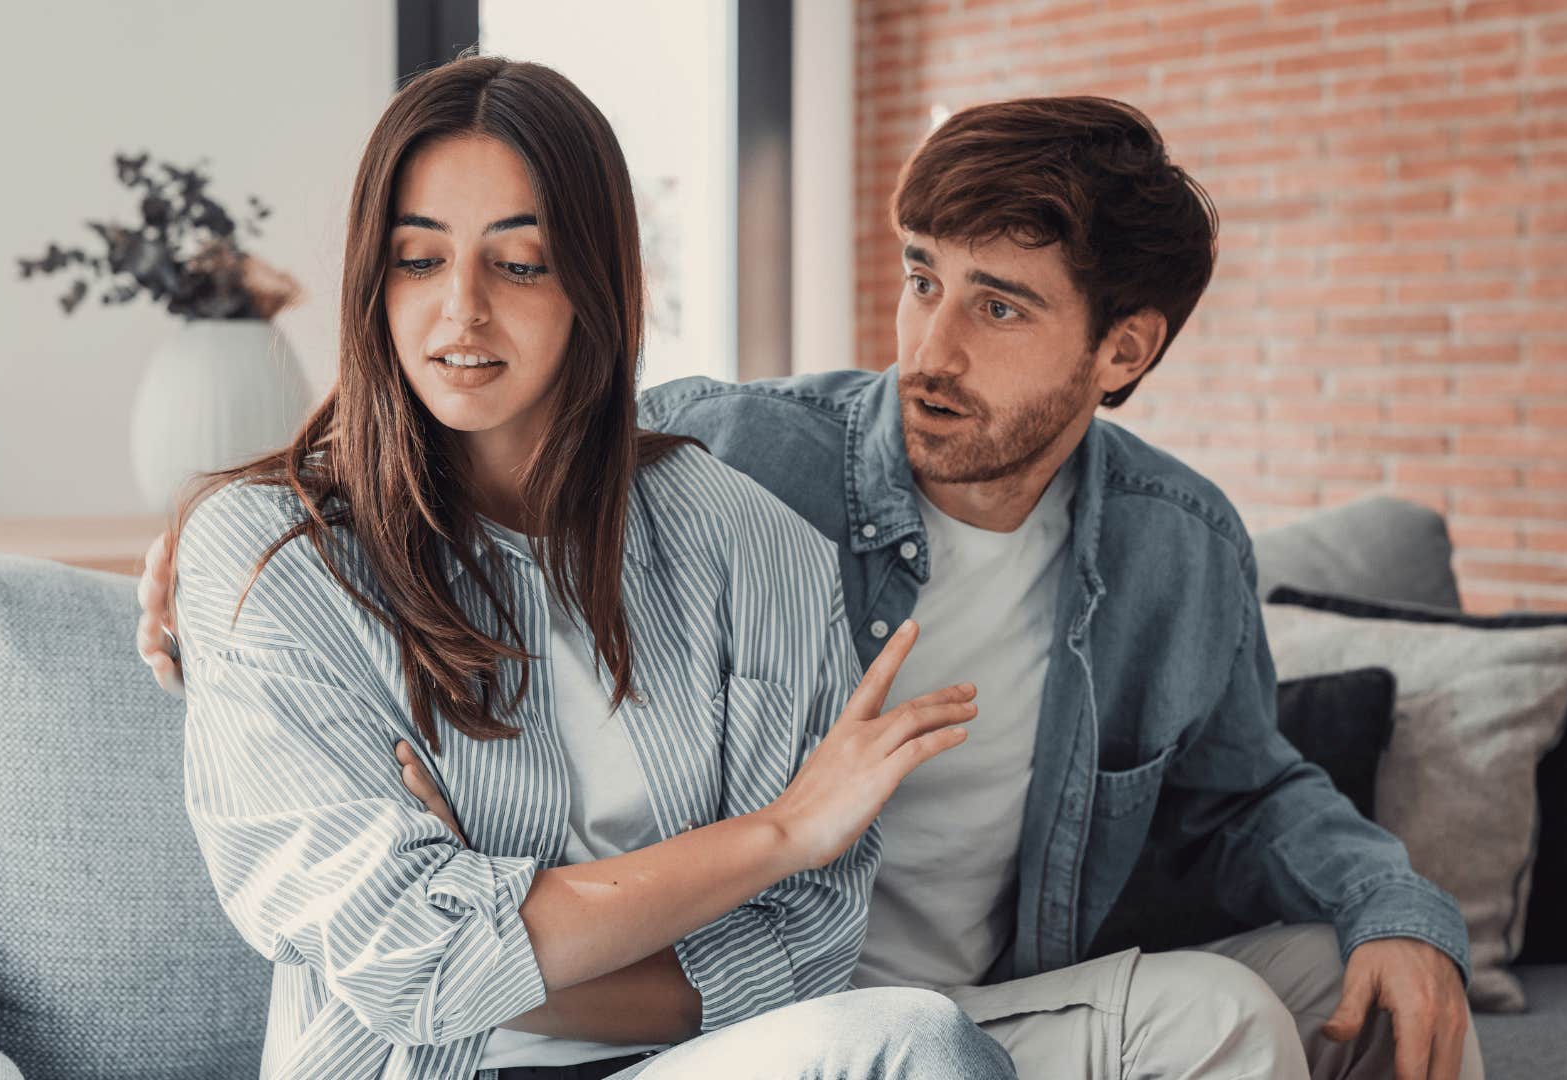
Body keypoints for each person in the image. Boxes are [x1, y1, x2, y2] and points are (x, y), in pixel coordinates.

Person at [146, 93, 1484, 1078]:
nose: (931, 349)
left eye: (1000, 307)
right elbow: (477, 389)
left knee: (1342, 1001)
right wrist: (245, 515)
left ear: (1121, 349)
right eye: (921, 282)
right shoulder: (759, 454)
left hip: (906, 995)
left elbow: (1248, 793)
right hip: (757, 1019)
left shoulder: (1168, 548)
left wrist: (1401, 910)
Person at [163, 54, 1014, 1080]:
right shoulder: (271, 559)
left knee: (917, 1044)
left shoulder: (752, 545)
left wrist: (493, 927)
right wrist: (779, 834)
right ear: (370, 280)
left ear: (594, 284)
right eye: (418, 260)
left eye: (519, 264)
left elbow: (805, 949)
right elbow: (404, 962)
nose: (462, 311)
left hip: (701, 1063)